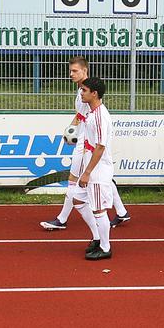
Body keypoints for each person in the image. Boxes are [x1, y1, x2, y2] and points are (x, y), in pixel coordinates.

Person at [40, 57, 129, 230]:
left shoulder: (88, 92)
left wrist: (75, 133)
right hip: (86, 140)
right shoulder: (82, 92)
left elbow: (92, 119)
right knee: (103, 177)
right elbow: (80, 116)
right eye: (70, 70)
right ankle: (122, 211)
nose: (71, 74)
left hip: (88, 142)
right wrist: (71, 129)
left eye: (75, 71)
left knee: (75, 178)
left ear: (84, 71)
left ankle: (62, 219)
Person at [72, 77, 115, 260]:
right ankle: (97, 237)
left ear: (94, 93)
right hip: (90, 165)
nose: (81, 93)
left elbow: (100, 147)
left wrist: (88, 173)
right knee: (78, 200)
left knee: (99, 209)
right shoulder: (91, 112)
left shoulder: (99, 116)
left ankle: (105, 248)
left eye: (84, 90)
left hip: (97, 170)